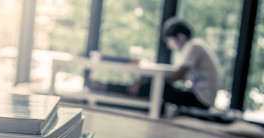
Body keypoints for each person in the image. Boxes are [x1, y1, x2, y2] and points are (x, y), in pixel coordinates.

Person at [89, 17, 222, 110]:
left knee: (154, 88)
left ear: (180, 36)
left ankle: (108, 88)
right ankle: (109, 88)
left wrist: (152, 80)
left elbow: (179, 75)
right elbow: (179, 74)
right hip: (200, 95)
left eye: (170, 41)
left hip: (201, 99)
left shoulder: (193, 46)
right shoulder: (194, 46)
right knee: (152, 86)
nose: (170, 46)